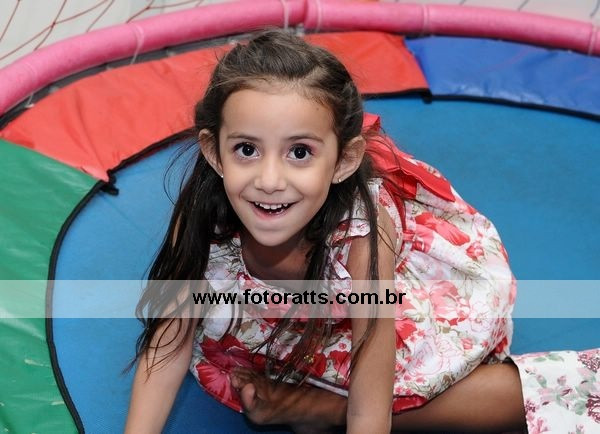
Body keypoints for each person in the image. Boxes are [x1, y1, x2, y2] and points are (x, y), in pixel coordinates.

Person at [125, 30, 600, 433]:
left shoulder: (363, 237)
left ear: (343, 161)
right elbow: (168, 346)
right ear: (214, 152)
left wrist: (338, 408)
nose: (269, 180)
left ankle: (322, 406)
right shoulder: (203, 215)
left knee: (410, 380)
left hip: (409, 298)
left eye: (299, 153)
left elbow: (372, 391)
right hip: (313, 311)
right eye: (246, 149)